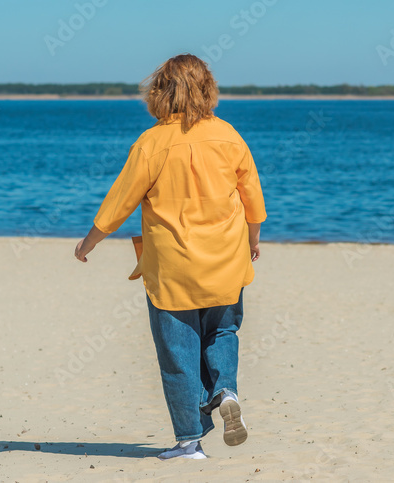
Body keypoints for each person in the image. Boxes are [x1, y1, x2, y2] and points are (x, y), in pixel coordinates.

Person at [73, 53, 266, 460]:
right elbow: (253, 197)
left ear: (161, 92)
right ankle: (225, 390)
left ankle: (189, 441)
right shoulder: (229, 136)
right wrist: (252, 239)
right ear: (208, 89)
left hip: (173, 267)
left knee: (178, 351)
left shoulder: (152, 142)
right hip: (226, 261)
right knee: (223, 332)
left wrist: (89, 242)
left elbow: (120, 200)